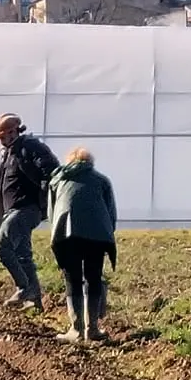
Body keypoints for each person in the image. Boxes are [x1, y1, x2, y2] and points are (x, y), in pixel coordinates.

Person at [0, 112, 60, 309]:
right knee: (22, 254)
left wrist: (45, 195)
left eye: (5, 136)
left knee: (1, 248)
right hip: (13, 210)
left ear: (15, 131)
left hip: (27, 208)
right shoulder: (9, 153)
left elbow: (51, 169)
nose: (3, 141)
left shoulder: (29, 147)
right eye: (0, 138)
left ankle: (24, 287)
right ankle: (34, 298)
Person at [47, 147, 118, 342]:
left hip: (66, 234)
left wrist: (57, 233)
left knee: (72, 279)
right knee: (93, 277)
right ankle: (92, 329)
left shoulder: (58, 180)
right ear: (90, 163)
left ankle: (75, 330)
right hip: (97, 235)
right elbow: (111, 213)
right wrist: (108, 232)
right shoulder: (102, 180)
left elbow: (52, 213)